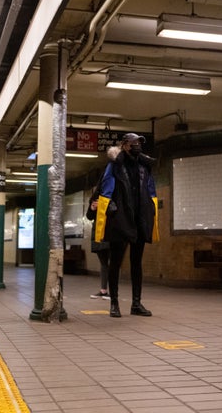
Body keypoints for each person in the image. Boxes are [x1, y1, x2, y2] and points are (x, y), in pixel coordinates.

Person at [94, 133, 159, 318]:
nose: (137, 145)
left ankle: (136, 303)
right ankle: (114, 303)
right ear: (125, 145)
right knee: (115, 262)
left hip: (140, 218)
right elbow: (105, 187)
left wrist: (151, 211)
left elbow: (150, 189)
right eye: (133, 143)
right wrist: (111, 206)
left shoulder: (144, 166)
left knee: (136, 263)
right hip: (120, 218)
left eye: (139, 142)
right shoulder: (115, 165)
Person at [86, 186, 110, 300]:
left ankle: (112, 291)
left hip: (111, 232)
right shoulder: (94, 200)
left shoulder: (112, 198)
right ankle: (103, 290)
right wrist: (92, 208)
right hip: (98, 234)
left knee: (112, 263)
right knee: (104, 263)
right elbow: (89, 217)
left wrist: (104, 207)